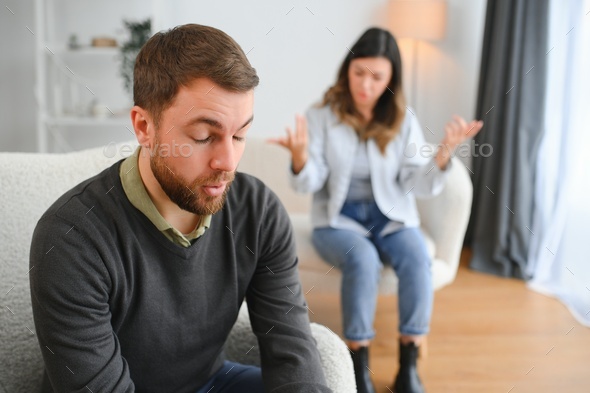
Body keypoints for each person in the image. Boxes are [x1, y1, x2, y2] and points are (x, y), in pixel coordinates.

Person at [29, 24, 332, 393]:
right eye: (204, 137)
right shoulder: (70, 239)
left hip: (212, 382)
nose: (228, 161)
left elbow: (292, 353)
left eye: (239, 135)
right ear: (144, 127)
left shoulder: (259, 212)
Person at [270, 27, 483, 393]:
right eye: (359, 73)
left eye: (376, 77)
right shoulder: (321, 115)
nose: (365, 85)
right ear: (347, 70)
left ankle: (409, 366)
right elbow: (309, 183)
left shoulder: (403, 118)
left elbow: (418, 183)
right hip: (339, 219)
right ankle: (358, 365)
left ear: (391, 79)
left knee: (417, 257)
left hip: (390, 214)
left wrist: (444, 153)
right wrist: (302, 159)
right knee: (363, 259)